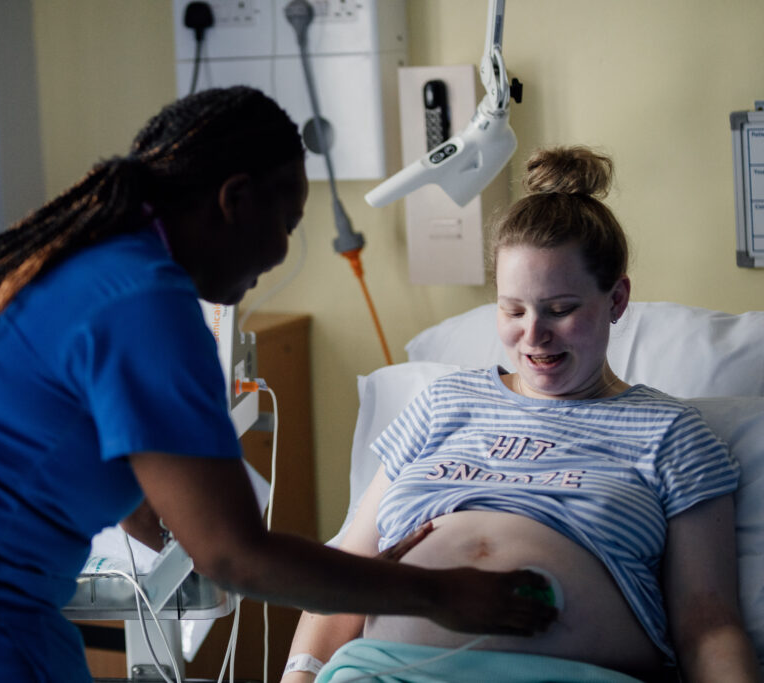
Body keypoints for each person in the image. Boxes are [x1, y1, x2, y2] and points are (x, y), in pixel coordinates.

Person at [0, 86, 555, 683]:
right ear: (233, 198)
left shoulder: (69, 260)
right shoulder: (145, 299)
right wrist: (439, 593)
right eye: (285, 218)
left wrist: (372, 575)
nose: (281, 252)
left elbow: (139, 487)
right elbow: (234, 555)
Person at [282, 146, 760, 683]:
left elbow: (708, 623)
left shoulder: (671, 434)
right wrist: (300, 676)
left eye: (561, 309)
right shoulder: (443, 404)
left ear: (617, 299)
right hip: (383, 672)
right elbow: (350, 571)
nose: (533, 335)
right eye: (513, 310)